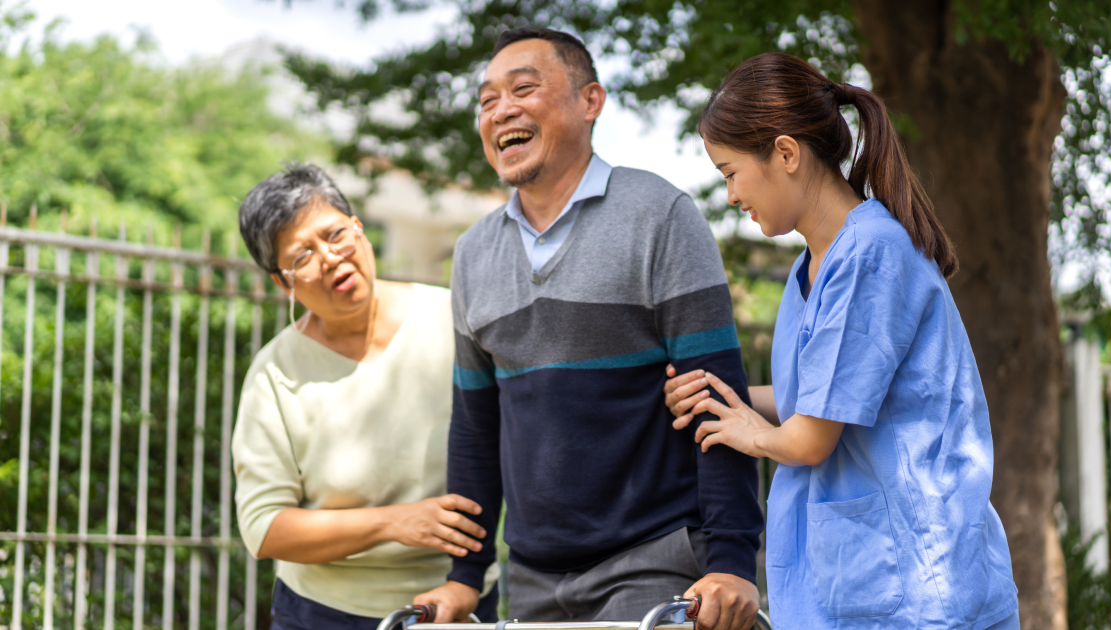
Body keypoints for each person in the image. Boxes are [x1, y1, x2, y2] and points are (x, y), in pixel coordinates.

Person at [413, 28, 764, 630]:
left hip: (654, 566)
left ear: (590, 101)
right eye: (487, 100)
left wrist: (733, 561)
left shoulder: (660, 215)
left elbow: (718, 396)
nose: (502, 111)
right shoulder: (472, 254)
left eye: (524, 89)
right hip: (530, 580)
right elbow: (475, 427)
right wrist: (464, 578)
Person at [663, 52, 1021, 629]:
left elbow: (809, 439)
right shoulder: (813, 267)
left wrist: (749, 434)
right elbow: (823, 396)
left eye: (730, 172)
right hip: (850, 587)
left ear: (785, 153)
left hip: (916, 591)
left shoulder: (871, 253)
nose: (731, 195)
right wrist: (721, 395)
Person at [231, 164, 498, 630]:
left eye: (335, 234)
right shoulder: (275, 374)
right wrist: (393, 523)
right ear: (282, 282)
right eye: (303, 256)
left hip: (457, 605)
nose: (330, 258)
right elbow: (264, 527)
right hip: (321, 613)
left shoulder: (453, 321)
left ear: (360, 230)